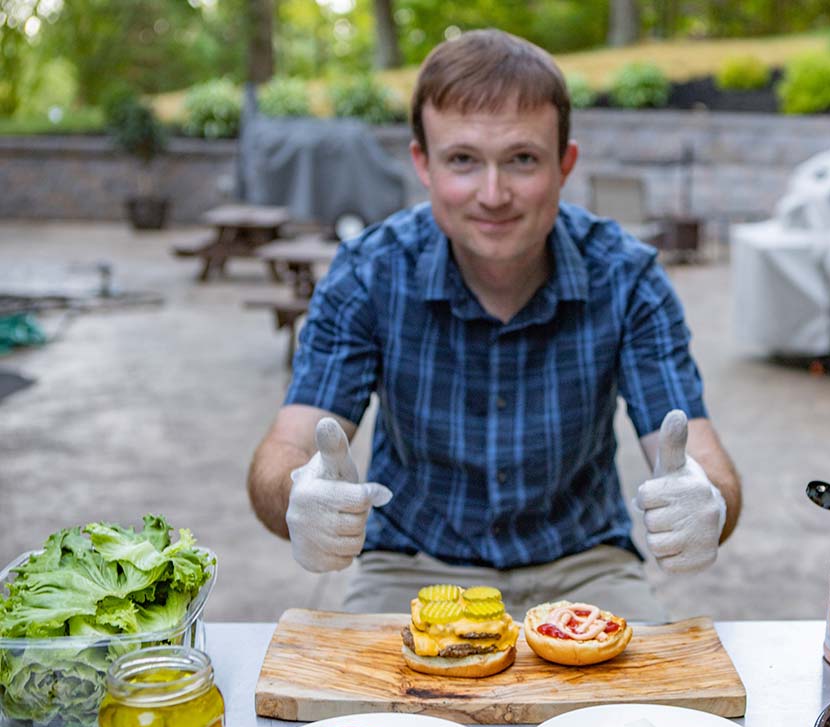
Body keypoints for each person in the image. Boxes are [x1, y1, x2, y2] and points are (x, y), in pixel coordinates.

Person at [246, 28, 741, 621]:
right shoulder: (368, 274)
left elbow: (703, 458)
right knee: (360, 715)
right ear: (422, 164)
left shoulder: (627, 277)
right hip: (408, 564)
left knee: (648, 715)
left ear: (565, 164)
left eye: (522, 159)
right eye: (462, 160)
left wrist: (706, 500)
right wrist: (298, 496)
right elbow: (285, 447)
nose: (493, 193)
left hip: (586, 565)